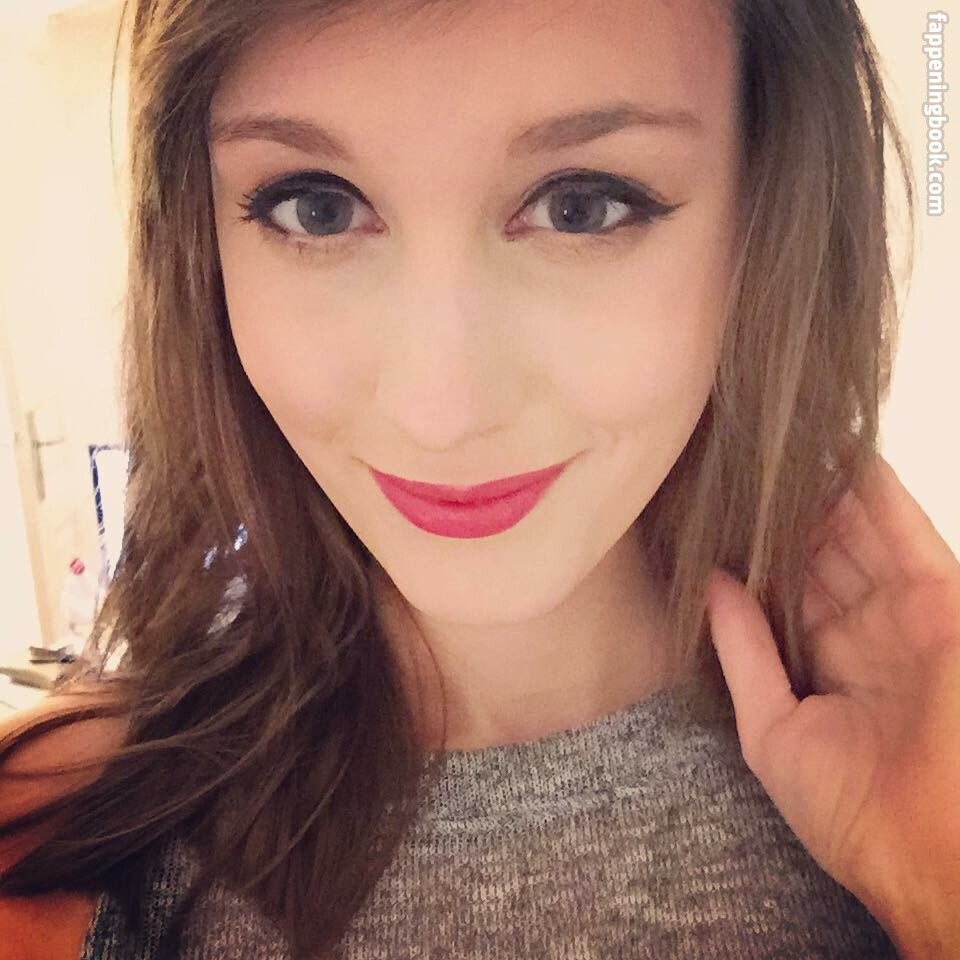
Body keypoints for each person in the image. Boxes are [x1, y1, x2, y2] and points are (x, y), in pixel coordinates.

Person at [0, 0, 923, 957]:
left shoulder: (916, 791)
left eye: (581, 205)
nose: (438, 414)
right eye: (316, 207)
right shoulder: (53, 836)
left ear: (766, 221)